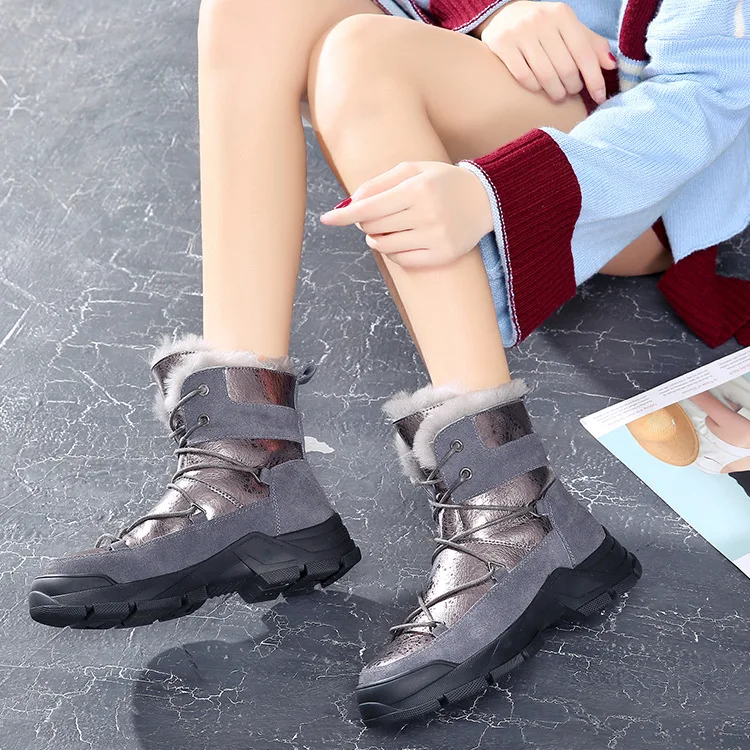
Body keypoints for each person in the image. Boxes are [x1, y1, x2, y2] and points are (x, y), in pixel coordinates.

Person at [27, 0, 749, 727]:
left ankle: (514, 507)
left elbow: (709, 93)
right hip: (519, 62)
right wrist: (490, 11)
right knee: (255, 10)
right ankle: (248, 463)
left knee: (364, 56)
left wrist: (493, 191)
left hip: (643, 160)